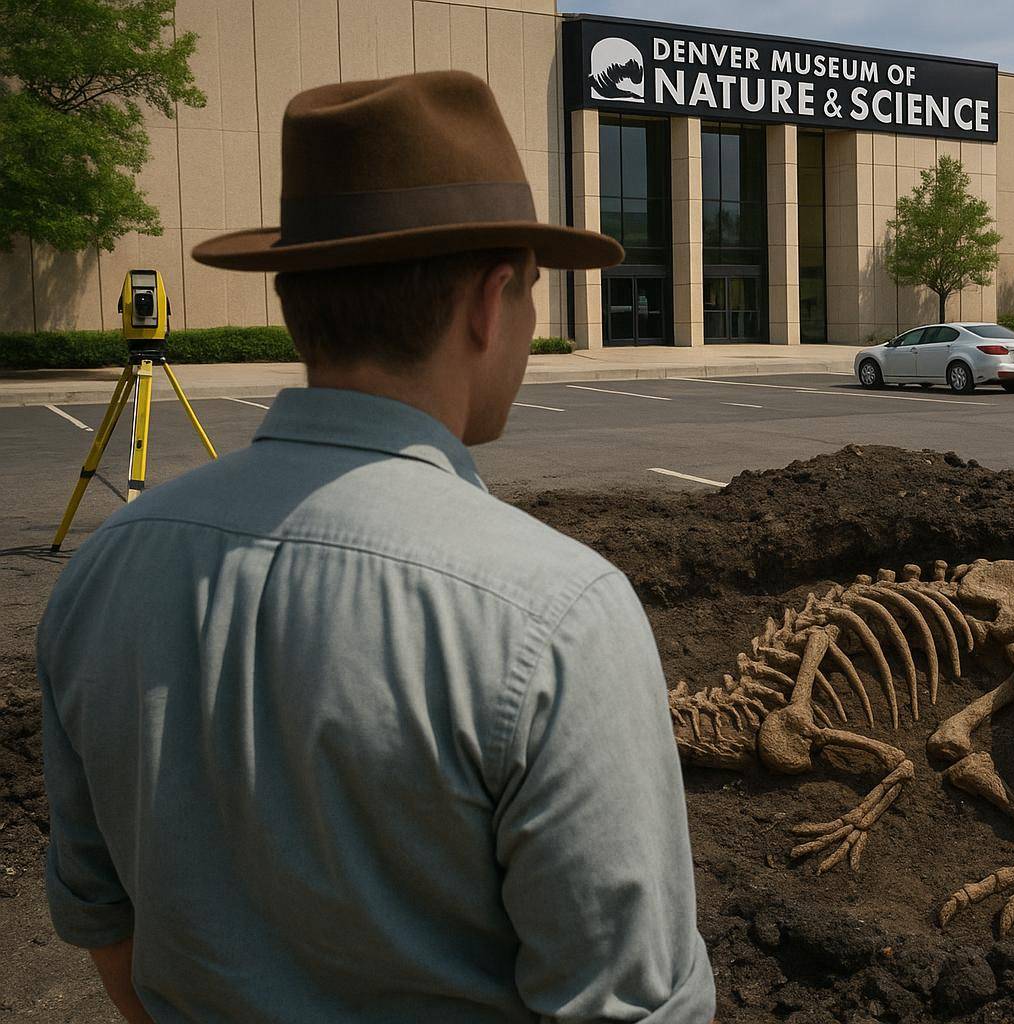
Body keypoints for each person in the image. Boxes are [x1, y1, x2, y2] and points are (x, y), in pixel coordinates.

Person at [37, 70, 715, 1023]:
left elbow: (102, 915)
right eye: (530, 295)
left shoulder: (105, 570)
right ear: (489, 305)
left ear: (291, 300)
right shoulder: (556, 615)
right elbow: (629, 1007)